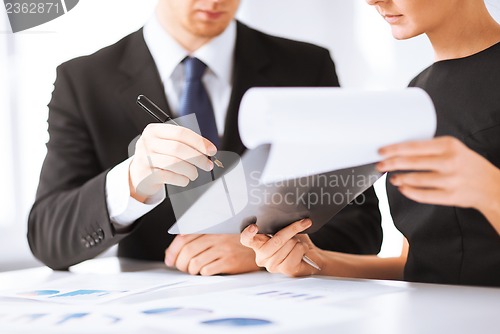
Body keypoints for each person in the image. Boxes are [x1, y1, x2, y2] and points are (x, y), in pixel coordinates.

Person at [28, 0, 383, 273]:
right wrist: (132, 182)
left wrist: (263, 251)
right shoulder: (84, 81)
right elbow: (47, 238)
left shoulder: (306, 66)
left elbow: (362, 227)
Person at [241, 0, 500, 287]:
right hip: (431, 322)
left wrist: (492, 193)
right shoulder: (417, 93)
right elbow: (419, 263)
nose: (373, 0)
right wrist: (315, 260)